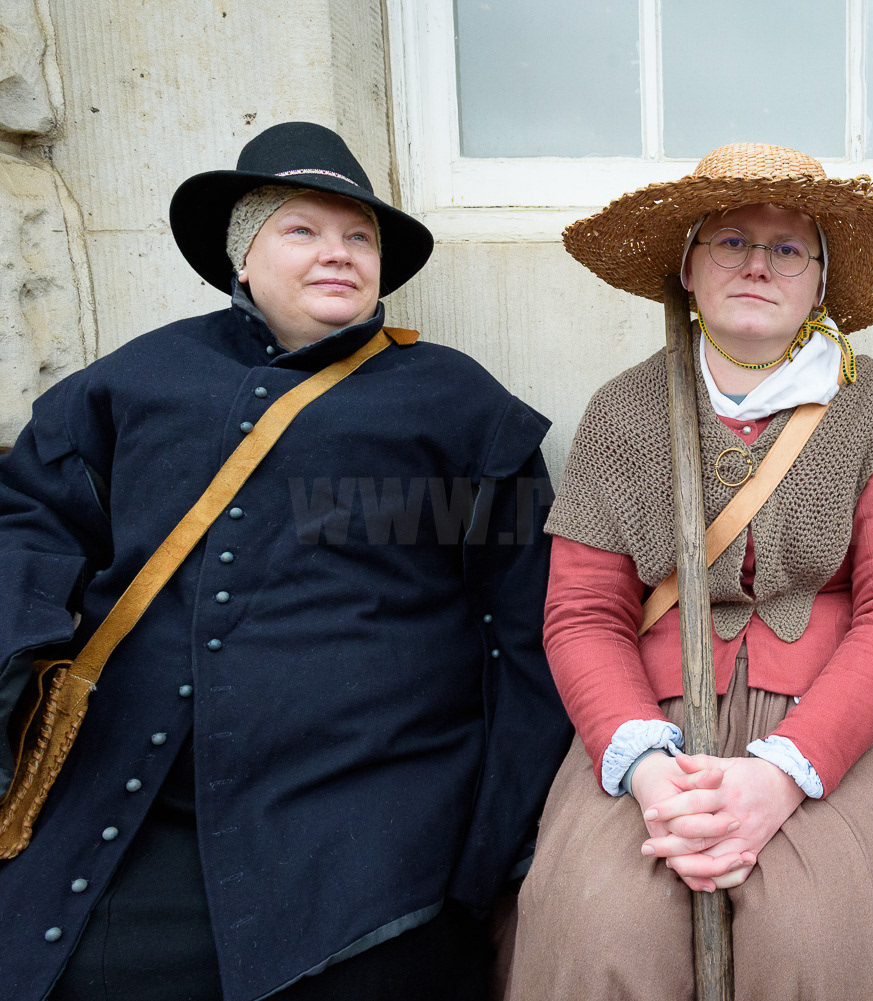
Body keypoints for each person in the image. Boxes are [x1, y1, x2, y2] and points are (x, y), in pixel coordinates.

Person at [0, 122, 572, 1001]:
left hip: (366, 831)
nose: (337, 254)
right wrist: (23, 649)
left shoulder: (457, 410)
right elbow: (29, 516)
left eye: (359, 236)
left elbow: (524, 630)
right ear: (242, 258)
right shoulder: (137, 380)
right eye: (301, 230)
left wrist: (489, 850)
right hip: (131, 803)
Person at [504, 143, 873, 1000]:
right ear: (688, 268)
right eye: (729, 241)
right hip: (654, 722)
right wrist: (650, 772)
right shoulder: (622, 410)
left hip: (838, 717)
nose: (758, 264)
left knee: (820, 929)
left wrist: (780, 773)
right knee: (603, 920)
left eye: (788, 248)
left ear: (819, 281)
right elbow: (583, 614)